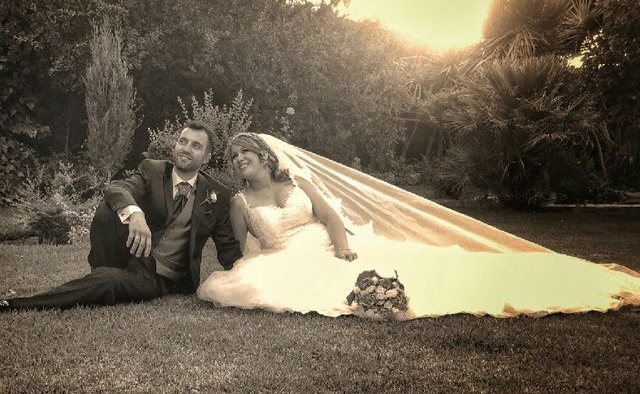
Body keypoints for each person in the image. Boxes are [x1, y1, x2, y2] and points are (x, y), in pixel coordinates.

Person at [197, 132, 640, 319]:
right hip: (285, 257)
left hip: (327, 243)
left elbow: (330, 217)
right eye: (234, 158)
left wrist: (344, 247)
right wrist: (248, 270)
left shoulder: (299, 181)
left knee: (413, 266)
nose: (239, 161)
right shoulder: (239, 202)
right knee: (288, 286)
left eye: (245, 154)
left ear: (264, 157)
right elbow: (240, 248)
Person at [1, 121, 242, 310]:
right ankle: (102, 274)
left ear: (207, 158)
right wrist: (136, 215)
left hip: (160, 276)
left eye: (196, 146)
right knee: (109, 210)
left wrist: (253, 279)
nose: (186, 149)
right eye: (183, 141)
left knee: (108, 281)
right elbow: (117, 188)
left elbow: (228, 250)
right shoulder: (154, 169)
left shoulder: (217, 195)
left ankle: (19, 303)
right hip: (128, 254)